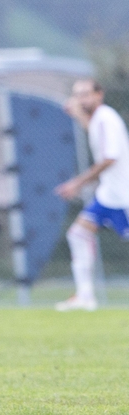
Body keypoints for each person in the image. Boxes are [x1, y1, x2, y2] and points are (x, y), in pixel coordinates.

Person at [54, 79, 129, 311]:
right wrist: (78, 115)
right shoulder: (97, 120)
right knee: (77, 234)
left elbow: (109, 158)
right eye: (77, 95)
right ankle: (85, 296)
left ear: (99, 95)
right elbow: (93, 130)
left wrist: (77, 183)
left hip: (123, 195)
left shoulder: (106, 118)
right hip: (108, 194)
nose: (82, 99)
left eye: (86, 94)